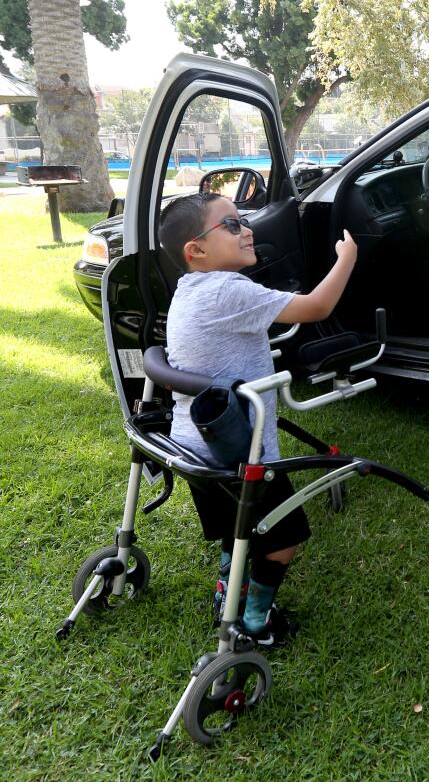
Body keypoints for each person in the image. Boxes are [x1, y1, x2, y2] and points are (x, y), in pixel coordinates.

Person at [157, 192, 359, 647]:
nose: (247, 229)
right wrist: (347, 257)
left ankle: (228, 587)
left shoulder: (188, 291)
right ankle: (254, 620)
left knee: (239, 527)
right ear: (197, 250)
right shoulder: (229, 290)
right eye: (231, 225)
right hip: (238, 449)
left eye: (243, 220)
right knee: (282, 538)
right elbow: (317, 308)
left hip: (195, 443)